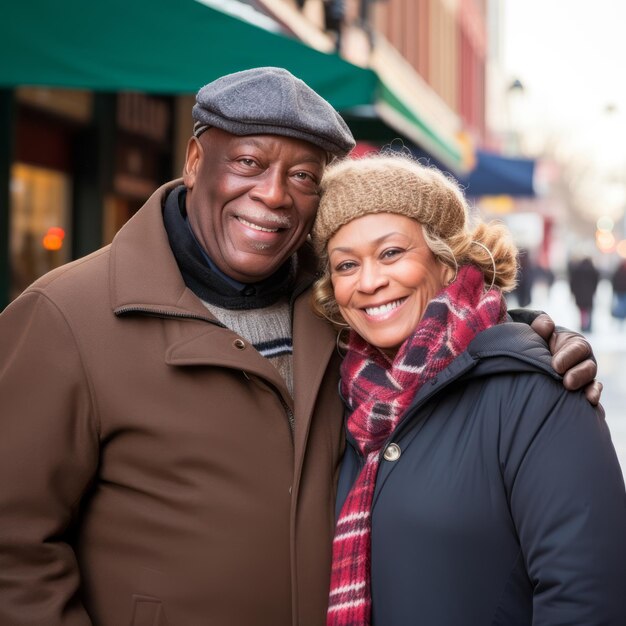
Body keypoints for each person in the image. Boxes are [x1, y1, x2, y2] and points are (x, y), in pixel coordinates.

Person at [0, 68, 601, 626]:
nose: (273, 194)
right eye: (248, 162)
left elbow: (436, 327)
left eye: (303, 176)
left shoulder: (333, 307)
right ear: (193, 161)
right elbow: (13, 547)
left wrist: (524, 339)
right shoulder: (66, 316)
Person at [310, 153, 626, 626]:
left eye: (391, 252)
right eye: (346, 265)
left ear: (446, 260)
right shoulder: (339, 397)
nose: (370, 281)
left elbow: (586, 599)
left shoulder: (537, 390)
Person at [568, 255, 600, 332]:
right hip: (589, 294)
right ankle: (589, 326)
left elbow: (572, 282)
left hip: (579, 294)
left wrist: (572, 292)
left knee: (582, 311)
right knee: (589, 310)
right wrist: (594, 290)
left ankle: (583, 325)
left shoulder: (576, 270)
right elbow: (596, 281)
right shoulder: (593, 270)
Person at [611, 258, 626, 325]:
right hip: (621, 291)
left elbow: (614, 281)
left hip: (619, 291)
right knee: (622, 305)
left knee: (621, 305)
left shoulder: (617, 272)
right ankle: (621, 317)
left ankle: (621, 317)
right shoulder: (619, 272)